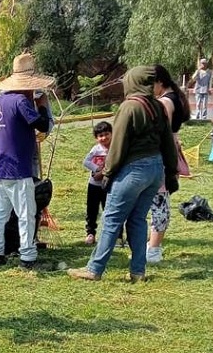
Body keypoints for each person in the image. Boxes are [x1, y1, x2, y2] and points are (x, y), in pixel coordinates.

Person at [68, 66, 178, 282]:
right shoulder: (157, 106)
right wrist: (171, 173)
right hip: (155, 170)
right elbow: (168, 143)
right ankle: (138, 271)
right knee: (137, 220)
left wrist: (107, 173)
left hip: (133, 170)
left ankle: (94, 269)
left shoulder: (129, 107)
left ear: (132, 82)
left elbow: (118, 144)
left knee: (111, 219)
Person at [0, 53, 54, 270]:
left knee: (0, 214)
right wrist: (42, 105)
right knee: (26, 214)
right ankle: (28, 258)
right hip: (19, 168)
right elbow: (42, 125)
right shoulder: (22, 101)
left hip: (1, 166)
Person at [146, 65, 191, 263]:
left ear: (160, 82)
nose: (149, 89)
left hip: (164, 155)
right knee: (160, 199)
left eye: (151, 84)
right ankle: (152, 245)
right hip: (171, 152)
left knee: (159, 201)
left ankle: (154, 250)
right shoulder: (176, 97)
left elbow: (162, 132)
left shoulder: (165, 102)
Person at [82, 121, 113, 245]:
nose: (104, 138)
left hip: (110, 185)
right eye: (100, 136)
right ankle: (90, 233)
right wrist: (97, 169)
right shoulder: (96, 149)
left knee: (110, 209)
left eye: (106, 134)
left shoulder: (115, 148)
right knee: (92, 210)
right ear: (96, 138)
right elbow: (86, 162)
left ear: (112, 134)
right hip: (94, 185)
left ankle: (116, 235)